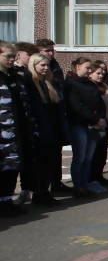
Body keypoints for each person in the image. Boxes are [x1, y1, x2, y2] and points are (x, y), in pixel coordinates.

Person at [26, 53, 68, 206]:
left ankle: (45, 191)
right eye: (42, 65)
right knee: (40, 164)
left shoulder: (47, 83)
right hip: (40, 131)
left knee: (49, 163)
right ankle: (39, 194)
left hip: (52, 129)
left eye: (47, 65)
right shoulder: (31, 84)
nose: (45, 68)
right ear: (34, 65)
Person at [0, 42, 35, 217]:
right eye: (8, 56)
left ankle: (7, 201)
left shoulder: (15, 76)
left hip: (18, 130)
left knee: (12, 168)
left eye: (14, 56)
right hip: (3, 132)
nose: (12, 60)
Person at [64, 57, 105, 198]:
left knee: (88, 158)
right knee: (80, 157)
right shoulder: (70, 83)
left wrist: (100, 118)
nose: (89, 71)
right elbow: (76, 106)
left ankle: (85, 184)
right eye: (87, 68)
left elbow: (99, 103)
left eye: (90, 68)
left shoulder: (89, 83)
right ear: (77, 67)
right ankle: (78, 187)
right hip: (79, 124)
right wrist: (95, 119)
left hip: (93, 125)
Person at [36, 38, 70, 194]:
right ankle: (42, 189)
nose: (51, 53)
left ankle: (56, 183)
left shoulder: (55, 66)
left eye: (52, 50)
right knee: (44, 156)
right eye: (47, 51)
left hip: (58, 112)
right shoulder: (36, 69)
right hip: (45, 115)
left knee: (57, 152)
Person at [12, 42, 38, 205]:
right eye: (28, 55)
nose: (30, 58)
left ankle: (27, 190)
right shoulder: (14, 73)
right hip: (14, 124)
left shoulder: (27, 73)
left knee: (28, 160)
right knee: (14, 162)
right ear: (19, 54)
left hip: (28, 123)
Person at [88, 61, 108, 193]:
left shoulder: (104, 85)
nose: (101, 75)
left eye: (102, 73)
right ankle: (92, 179)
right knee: (93, 154)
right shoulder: (89, 87)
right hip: (95, 124)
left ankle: (99, 176)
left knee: (102, 153)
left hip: (106, 121)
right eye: (98, 73)